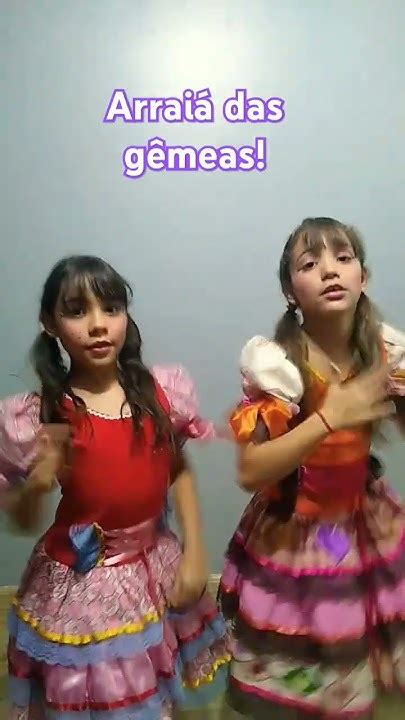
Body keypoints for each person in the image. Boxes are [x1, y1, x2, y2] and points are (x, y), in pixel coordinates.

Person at [0, 255, 230, 720]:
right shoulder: (44, 412)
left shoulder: (158, 391)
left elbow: (178, 468)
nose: (98, 325)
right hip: (84, 581)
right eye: (76, 311)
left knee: (155, 678)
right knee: (101, 689)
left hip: (156, 560)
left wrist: (195, 552)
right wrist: (37, 485)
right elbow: (22, 520)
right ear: (50, 323)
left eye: (111, 308)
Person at [218, 217, 405, 718]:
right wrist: (328, 417)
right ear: (289, 291)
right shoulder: (278, 363)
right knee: (311, 648)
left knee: (361, 638)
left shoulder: (385, 350)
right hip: (301, 527)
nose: (329, 271)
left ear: (363, 277)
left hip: (365, 520)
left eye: (343, 258)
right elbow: (250, 471)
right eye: (309, 263)